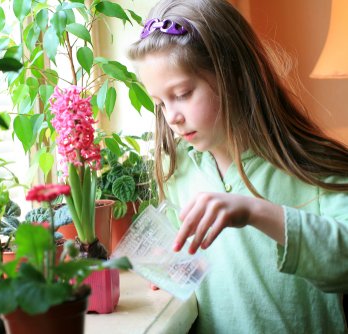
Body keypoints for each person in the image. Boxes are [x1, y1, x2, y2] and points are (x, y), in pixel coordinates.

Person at [128, 0, 348, 332]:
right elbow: (187, 265)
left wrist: (255, 212)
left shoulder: (309, 167)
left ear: (235, 77)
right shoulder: (181, 172)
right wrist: (169, 268)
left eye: (183, 93)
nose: (171, 117)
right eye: (160, 103)